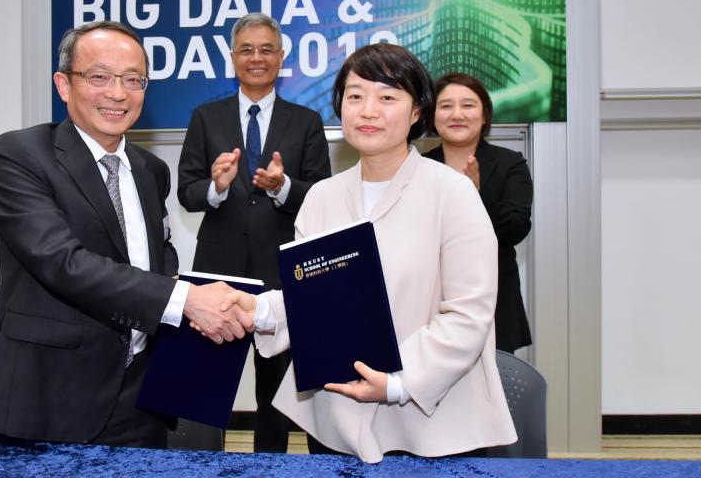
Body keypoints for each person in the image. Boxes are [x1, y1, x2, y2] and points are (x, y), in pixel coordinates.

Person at [221, 44, 516, 462]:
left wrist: (396, 383)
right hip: (334, 415)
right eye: (355, 96)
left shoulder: (453, 193)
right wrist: (257, 310)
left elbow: (469, 314)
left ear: (417, 113)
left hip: (430, 423)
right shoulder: (322, 197)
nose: (368, 110)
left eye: (388, 97)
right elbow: (312, 303)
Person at [0, 21, 251, 448]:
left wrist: (189, 290)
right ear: (64, 85)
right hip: (49, 395)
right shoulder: (18, 156)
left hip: (140, 398)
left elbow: (158, 254)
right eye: (99, 77)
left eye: (133, 80)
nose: (118, 93)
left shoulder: (150, 170)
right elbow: (62, 262)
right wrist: (187, 301)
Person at [178, 13, 331, 452]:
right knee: (206, 390)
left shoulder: (306, 121)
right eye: (247, 49)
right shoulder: (205, 117)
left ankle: (271, 465)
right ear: (232, 58)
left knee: (276, 396)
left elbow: (322, 195)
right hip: (217, 276)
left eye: (267, 49)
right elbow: (187, 193)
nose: (257, 58)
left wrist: (283, 187)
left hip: (281, 276)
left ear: (281, 57)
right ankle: (202, 465)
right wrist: (216, 187)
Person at [423, 73, 533, 354]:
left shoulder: (510, 163)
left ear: (484, 116)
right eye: (445, 106)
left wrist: (475, 195)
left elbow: (516, 229)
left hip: (493, 304)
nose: (456, 114)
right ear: (432, 116)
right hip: (427, 304)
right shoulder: (419, 168)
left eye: (468, 105)